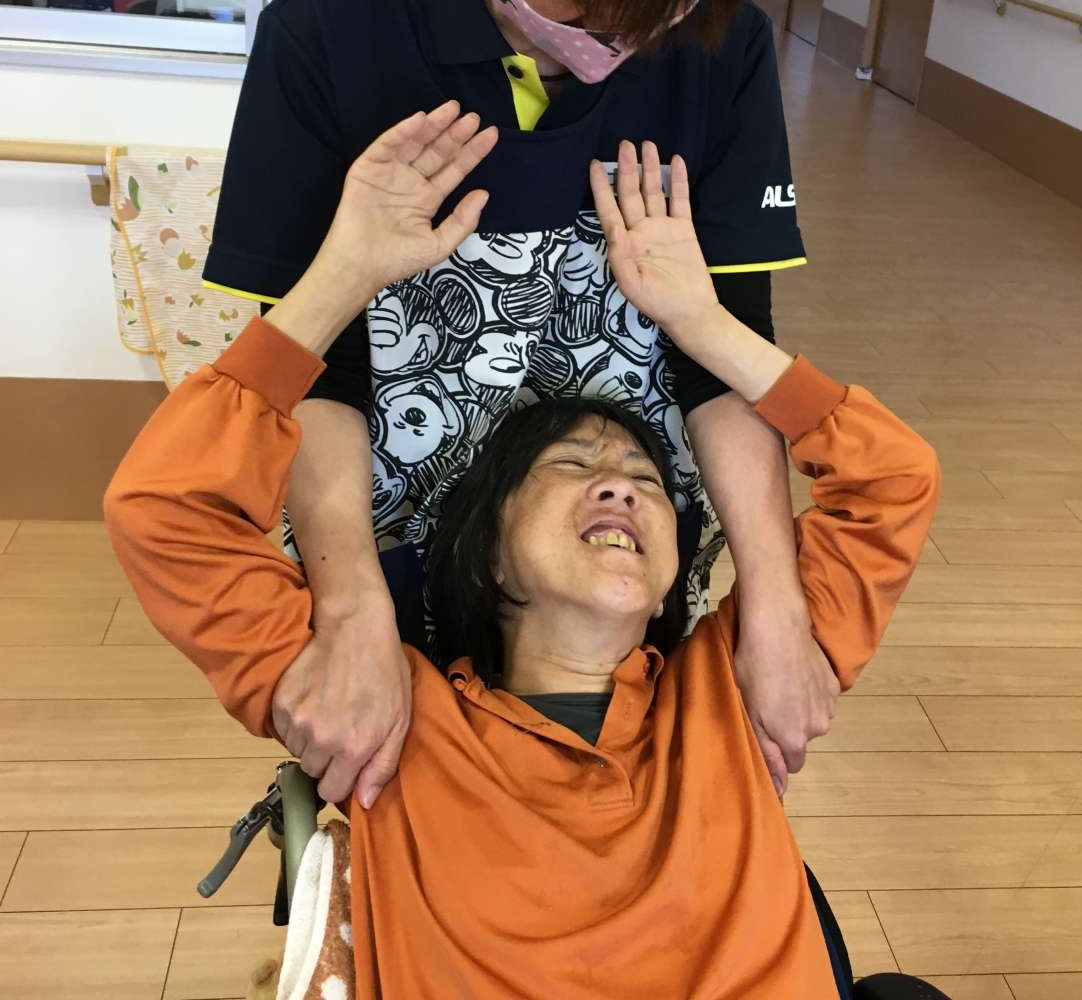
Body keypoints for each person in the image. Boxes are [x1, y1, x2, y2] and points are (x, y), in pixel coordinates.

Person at [106, 116, 944, 999]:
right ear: (490, 558)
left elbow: (895, 480)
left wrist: (706, 323)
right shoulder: (381, 721)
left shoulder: (737, 689)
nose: (622, 486)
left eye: (647, 481)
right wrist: (338, 281)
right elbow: (161, 509)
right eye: (573, 467)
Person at [201, 0, 829, 812]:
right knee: (416, 820)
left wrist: (775, 601)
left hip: (615, 571)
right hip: (393, 556)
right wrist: (353, 609)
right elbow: (323, 368)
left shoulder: (724, 47)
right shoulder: (329, 32)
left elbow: (725, 356)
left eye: (661, 7)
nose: (617, 42)